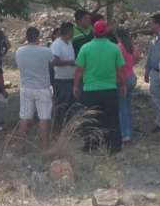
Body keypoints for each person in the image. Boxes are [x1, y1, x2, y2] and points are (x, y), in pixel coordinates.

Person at [73, 20, 126, 154]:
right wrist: (123, 84)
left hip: (90, 90)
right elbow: (120, 70)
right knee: (112, 118)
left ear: (94, 32)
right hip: (109, 89)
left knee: (91, 120)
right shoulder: (114, 48)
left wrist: (76, 86)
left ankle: (91, 145)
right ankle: (114, 147)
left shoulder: (85, 48)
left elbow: (79, 70)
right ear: (106, 32)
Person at [15, 27, 55, 151]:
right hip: (42, 88)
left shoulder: (19, 51)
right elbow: (53, 63)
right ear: (38, 37)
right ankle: (44, 147)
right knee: (44, 118)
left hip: (26, 88)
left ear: (27, 37)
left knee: (24, 117)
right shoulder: (45, 51)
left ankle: (21, 146)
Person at [116, 28, 140, 143]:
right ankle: (129, 130)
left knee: (121, 107)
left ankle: (125, 134)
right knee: (127, 105)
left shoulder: (118, 47)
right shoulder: (131, 46)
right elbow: (136, 59)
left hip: (123, 79)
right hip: (131, 77)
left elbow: (117, 65)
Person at [50, 22, 76, 106]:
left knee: (70, 104)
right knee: (63, 104)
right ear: (69, 31)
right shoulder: (57, 44)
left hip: (71, 78)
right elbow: (54, 62)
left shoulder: (69, 42)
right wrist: (70, 62)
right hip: (62, 80)